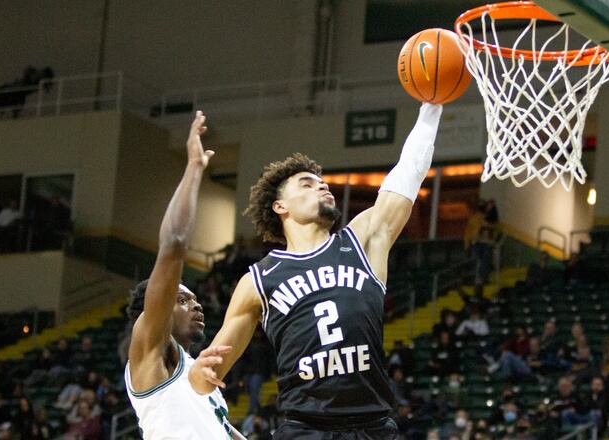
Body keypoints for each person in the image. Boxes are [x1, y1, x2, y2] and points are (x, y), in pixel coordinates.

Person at [189, 104, 444, 439]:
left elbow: (408, 173)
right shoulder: (259, 280)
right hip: (306, 429)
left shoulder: (362, 242)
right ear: (280, 207)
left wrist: (432, 107)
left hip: (373, 426)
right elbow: (210, 371)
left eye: (323, 183)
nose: (323, 187)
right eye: (307, 184)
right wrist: (198, 374)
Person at [123, 112, 242, 439]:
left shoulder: (200, 380)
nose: (197, 306)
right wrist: (194, 167)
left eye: (195, 300)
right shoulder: (152, 350)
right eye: (182, 300)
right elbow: (174, 244)